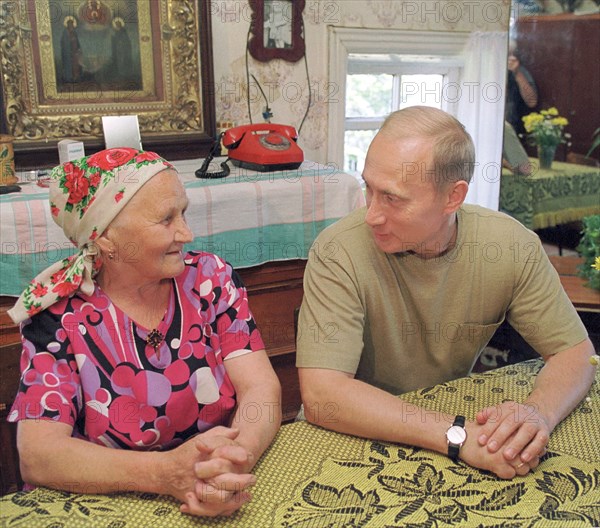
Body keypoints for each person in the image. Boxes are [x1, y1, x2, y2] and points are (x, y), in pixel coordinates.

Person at [296, 106, 596, 480]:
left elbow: (576, 352)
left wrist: (537, 415)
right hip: (350, 435)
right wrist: (457, 435)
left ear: (453, 198)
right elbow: (323, 398)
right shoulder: (337, 251)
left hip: (447, 423)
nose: (371, 214)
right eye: (368, 188)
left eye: (392, 198)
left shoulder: (510, 245)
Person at [7, 148, 281, 517]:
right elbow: (39, 457)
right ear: (105, 238)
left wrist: (233, 460)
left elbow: (261, 389)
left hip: (209, 481)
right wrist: (167, 474)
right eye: (166, 219)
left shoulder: (210, 279)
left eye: (183, 212)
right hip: (102, 505)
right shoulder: (57, 316)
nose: (187, 233)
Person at [506, 49, 538, 139]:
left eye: (513, 54)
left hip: (512, 129)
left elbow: (532, 102)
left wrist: (516, 73)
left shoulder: (520, 71)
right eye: (508, 54)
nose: (510, 58)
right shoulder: (489, 69)